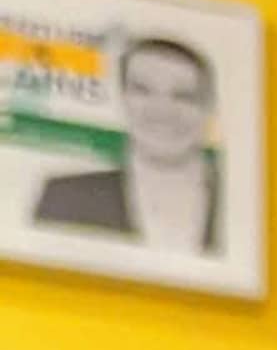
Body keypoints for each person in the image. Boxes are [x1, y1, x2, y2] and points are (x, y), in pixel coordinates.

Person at [31, 32, 222, 255]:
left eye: (183, 96)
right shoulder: (64, 197)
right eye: (143, 91)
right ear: (122, 98)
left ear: (209, 106)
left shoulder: (241, 207)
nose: (162, 110)